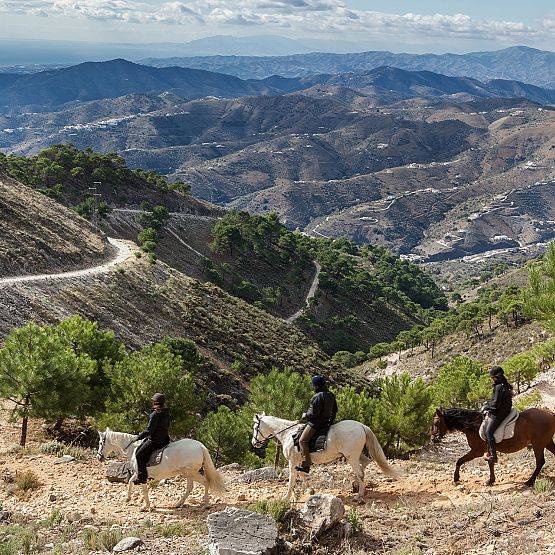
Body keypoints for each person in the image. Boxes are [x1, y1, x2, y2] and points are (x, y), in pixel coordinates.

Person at [296, 375, 338, 474]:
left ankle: (306, 465)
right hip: (326, 423)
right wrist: (330, 422)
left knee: (302, 441)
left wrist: (305, 415)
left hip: (316, 423)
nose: (313, 387)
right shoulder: (330, 395)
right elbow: (335, 410)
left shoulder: (317, 396)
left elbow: (313, 414)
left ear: (317, 386)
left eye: (314, 385)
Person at [133, 393, 171, 484]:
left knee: (138, 455)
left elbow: (149, 430)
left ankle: (142, 478)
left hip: (155, 440)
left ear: (155, 402)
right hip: (165, 439)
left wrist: (139, 437)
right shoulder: (166, 412)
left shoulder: (155, 414)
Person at [482, 366, 513, 463]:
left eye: (493, 377)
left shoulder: (499, 387)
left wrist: (486, 407)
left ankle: (493, 456)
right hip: (505, 409)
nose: (492, 379)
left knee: (488, 432)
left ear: (497, 377)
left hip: (501, 412)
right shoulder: (504, 385)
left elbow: (495, 405)